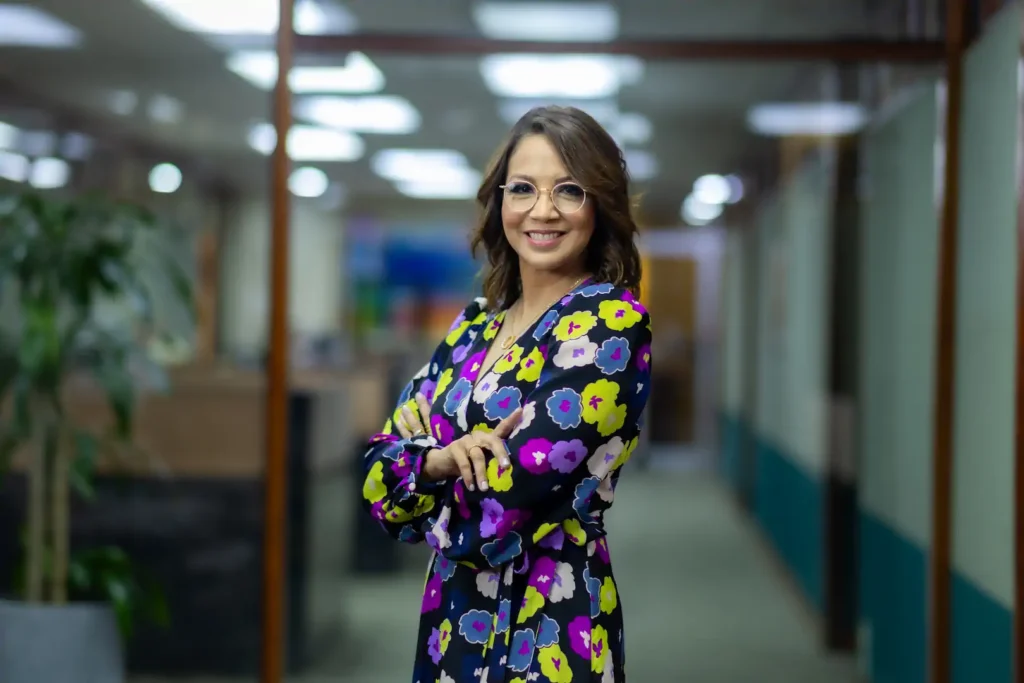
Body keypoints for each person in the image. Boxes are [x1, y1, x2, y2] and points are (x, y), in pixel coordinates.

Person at [361, 105, 653, 683]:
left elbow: (500, 509)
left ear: (599, 205)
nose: (542, 210)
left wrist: (422, 464)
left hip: (550, 627)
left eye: (569, 190)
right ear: (500, 202)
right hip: (450, 622)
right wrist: (440, 461)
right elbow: (379, 483)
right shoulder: (474, 326)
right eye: (522, 188)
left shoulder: (610, 327)